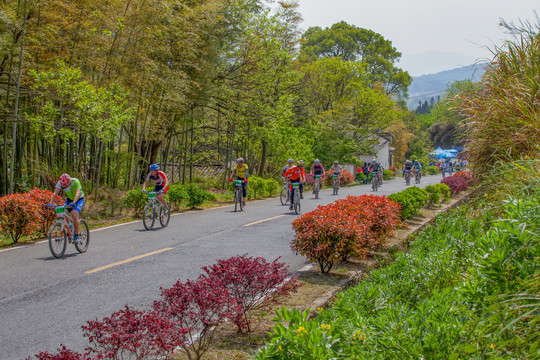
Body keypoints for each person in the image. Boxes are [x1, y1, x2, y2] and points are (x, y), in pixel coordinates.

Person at [49, 173, 85, 244]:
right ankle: (69, 225)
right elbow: (55, 193)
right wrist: (50, 203)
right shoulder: (60, 182)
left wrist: (74, 202)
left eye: (67, 186)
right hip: (69, 199)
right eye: (64, 187)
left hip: (79, 199)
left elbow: (78, 193)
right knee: (62, 212)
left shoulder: (75, 181)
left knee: (74, 214)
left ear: (69, 182)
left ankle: (76, 235)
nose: (65, 188)